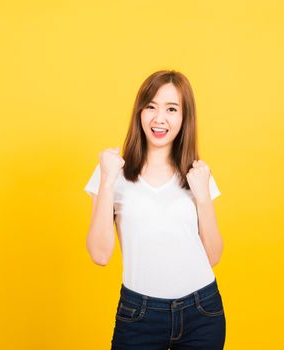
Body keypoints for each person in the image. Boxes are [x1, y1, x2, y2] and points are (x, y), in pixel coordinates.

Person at [84, 70, 226, 349]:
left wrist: (203, 198)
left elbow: (213, 255)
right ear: (139, 112)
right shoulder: (112, 171)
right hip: (139, 315)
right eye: (151, 107)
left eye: (171, 109)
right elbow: (100, 255)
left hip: (202, 311)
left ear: (184, 118)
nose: (159, 118)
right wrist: (108, 181)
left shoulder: (197, 175)